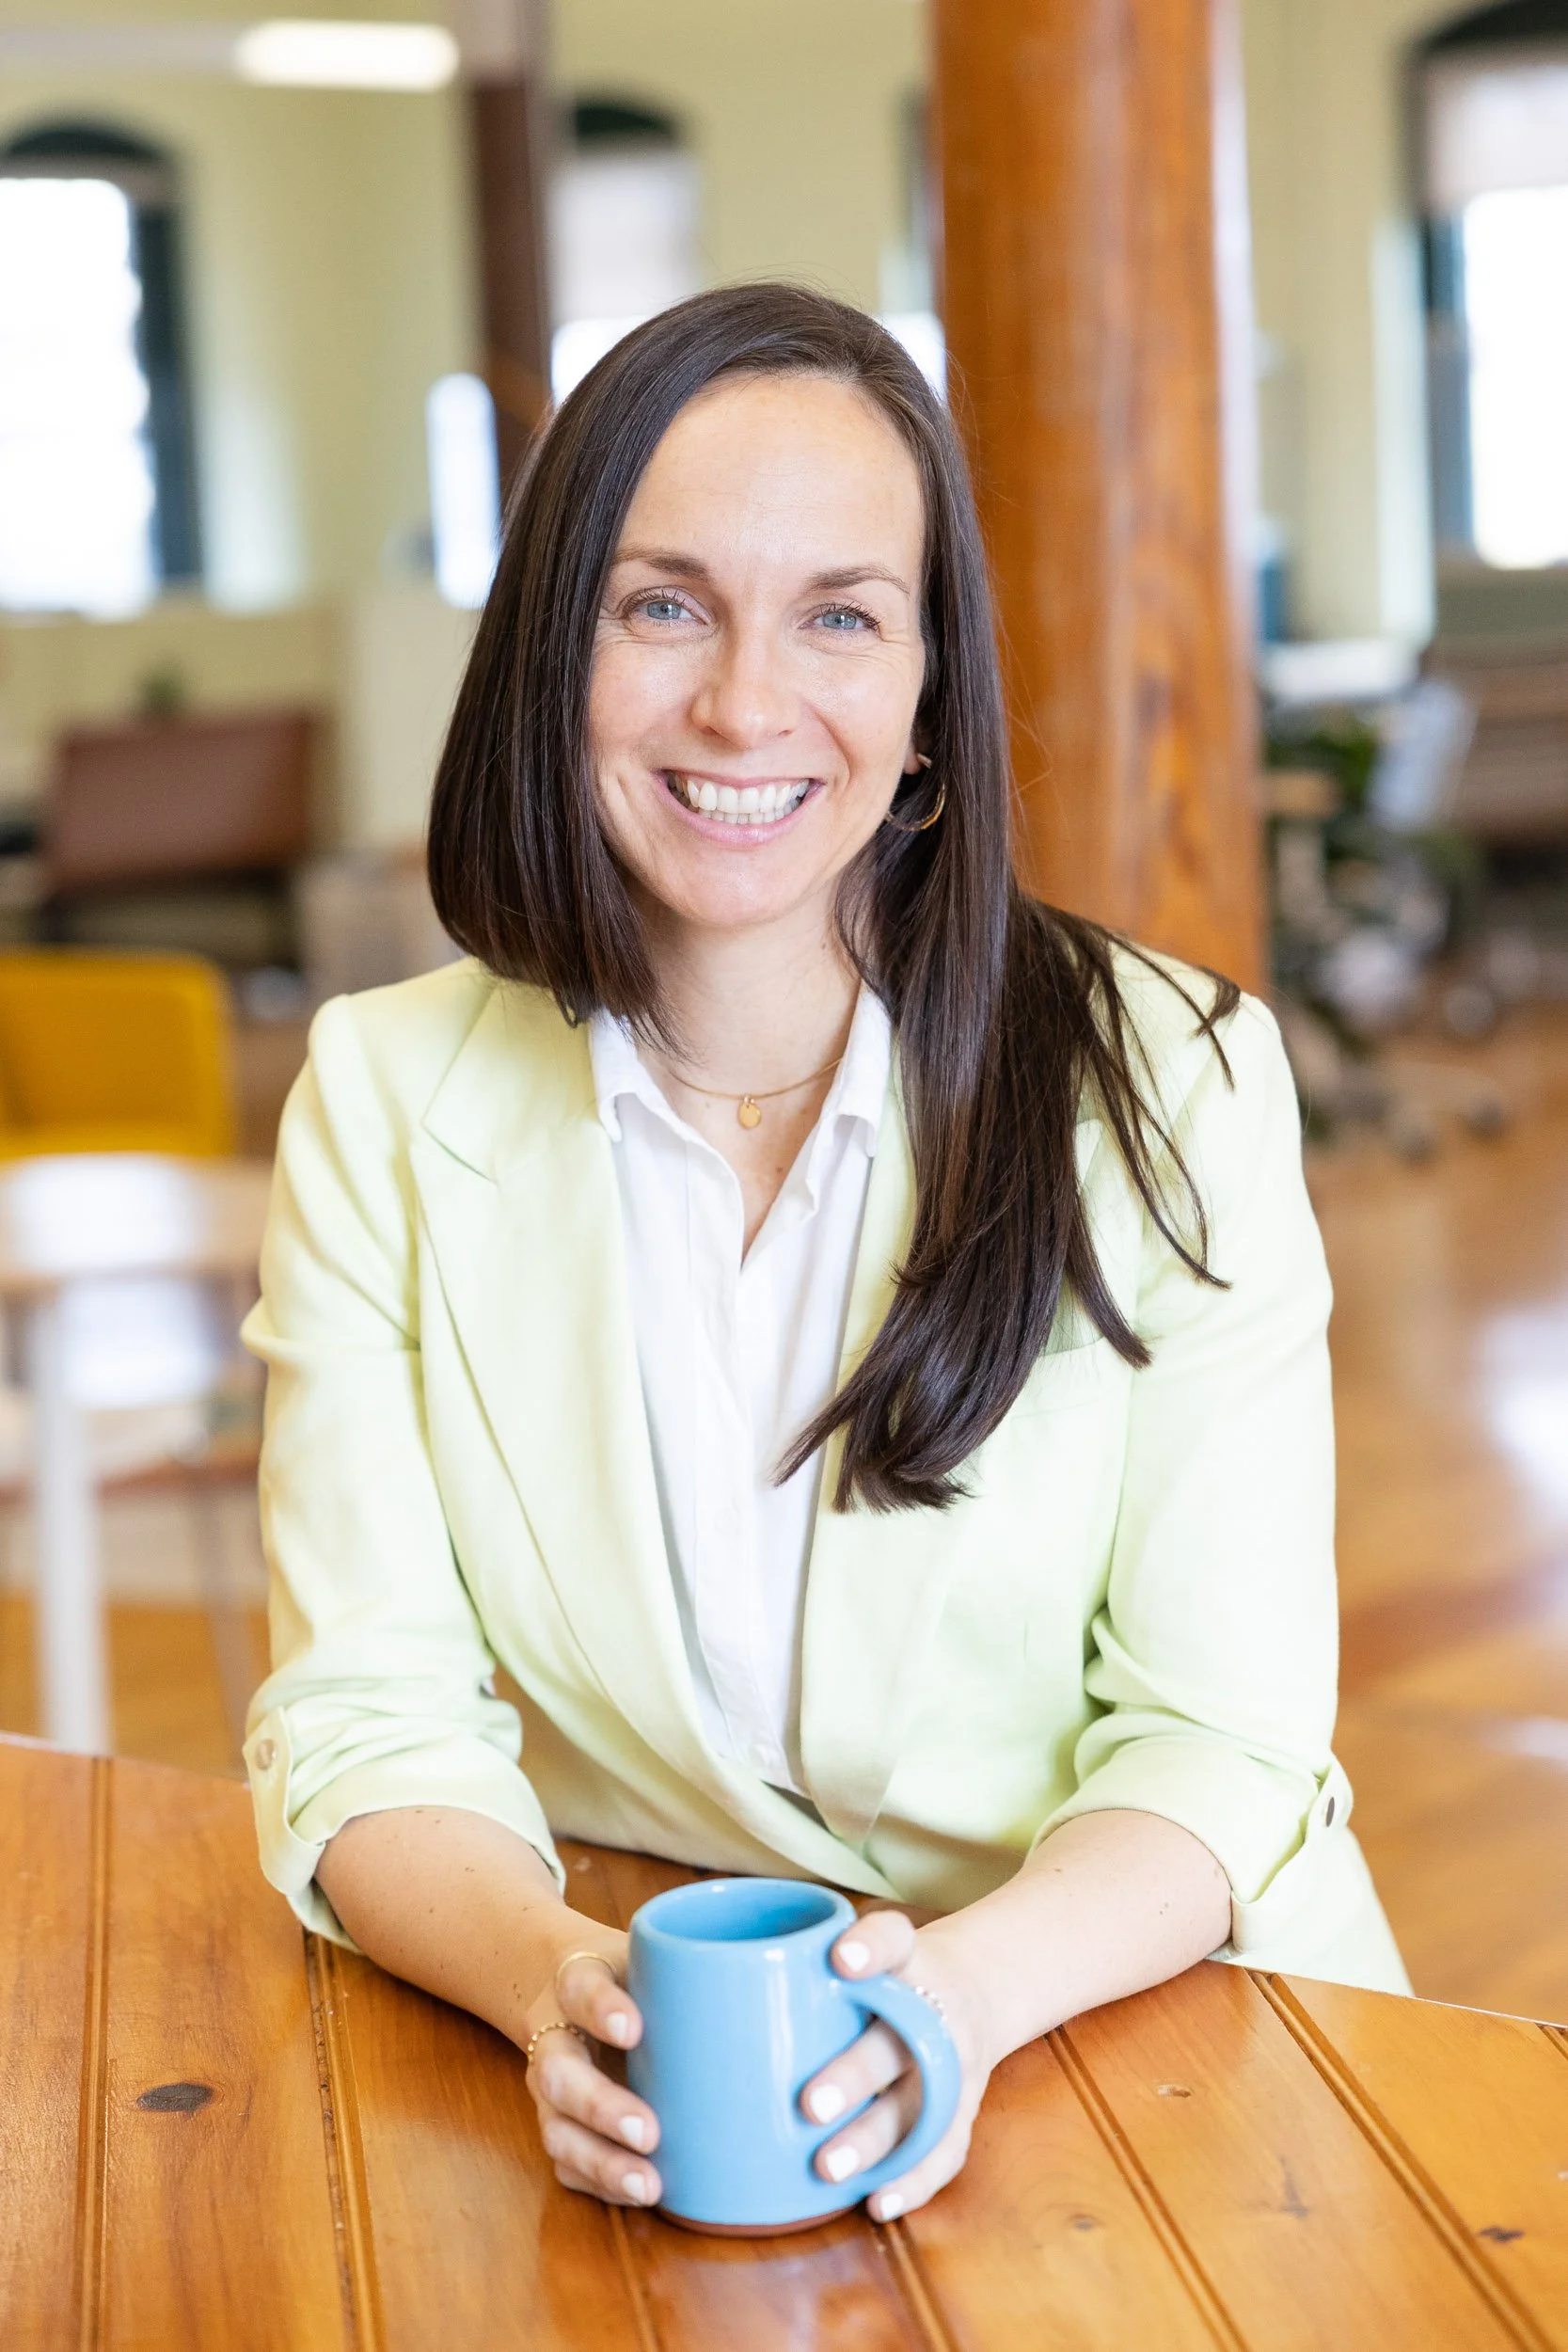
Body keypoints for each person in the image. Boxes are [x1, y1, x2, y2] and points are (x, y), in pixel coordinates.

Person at [245, 283, 1407, 2226]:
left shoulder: (1175, 1080)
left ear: (930, 694)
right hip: (679, 2089)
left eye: (840, 614)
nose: (743, 704)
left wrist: (949, 1996)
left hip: (1159, 2028)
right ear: (553, 653)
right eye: (662, 604)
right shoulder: (381, 1096)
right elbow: (365, 1714)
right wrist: (552, 1983)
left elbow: (1219, 1737)